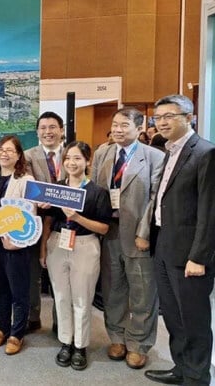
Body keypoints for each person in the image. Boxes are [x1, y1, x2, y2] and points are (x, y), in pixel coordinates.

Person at [145, 95, 215, 386]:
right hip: (164, 245)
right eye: (158, 117)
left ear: (189, 118)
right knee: (173, 315)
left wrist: (198, 257)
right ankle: (182, 368)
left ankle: (197, 377)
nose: (162, 122)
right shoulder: (170, 151)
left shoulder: (205, 153)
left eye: (169, 116)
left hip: (189, 254)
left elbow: (210, 212)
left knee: (194, 319)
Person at [91, 107, 164, 369]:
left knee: (143, 291)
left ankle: (138, 344)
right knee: (113, 289)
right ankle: (117, 337)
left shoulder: (154, 157)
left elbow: (155, 200)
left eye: (124, 125)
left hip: (137, 235)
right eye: (115, 125)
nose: (118, 130)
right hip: (108, 232)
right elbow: (95, 192)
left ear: (138, 127)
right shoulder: (103, 153)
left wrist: (144, 233)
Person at [40, 141, 112, 370]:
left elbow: (104, 228)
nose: (72, 163)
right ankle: (65, 342)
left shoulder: (98, 192)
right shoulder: (57, 188)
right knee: (61, 296)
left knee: (82, 298)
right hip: (57, 243)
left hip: (85, 245)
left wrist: (78, 218)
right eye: (68, 158)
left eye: (77, 158)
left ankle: (80, 346)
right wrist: (43, 248)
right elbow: (49, 221)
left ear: (87, 161)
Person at [0, 135, 35, 355]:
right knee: (1, 287)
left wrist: (16, 241)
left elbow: (31, 214)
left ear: (18, 155)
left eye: (9, 150)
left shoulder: (26, 180)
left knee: (19, 290)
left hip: (16, 244)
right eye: (0, 150)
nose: (4, 154)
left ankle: (17, 333)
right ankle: (3, 328)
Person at [24, 111, 65, 333]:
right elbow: (28, 187)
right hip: (36, 221)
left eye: (52, 127)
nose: (48, 132)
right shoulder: (27, 156)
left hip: (67, 222)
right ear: (37, 132)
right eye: (43, 128)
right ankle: (33, 317)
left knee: (62, 274)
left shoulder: (72, 153)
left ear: (61, 130)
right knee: (33, 273)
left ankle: (61, 322)